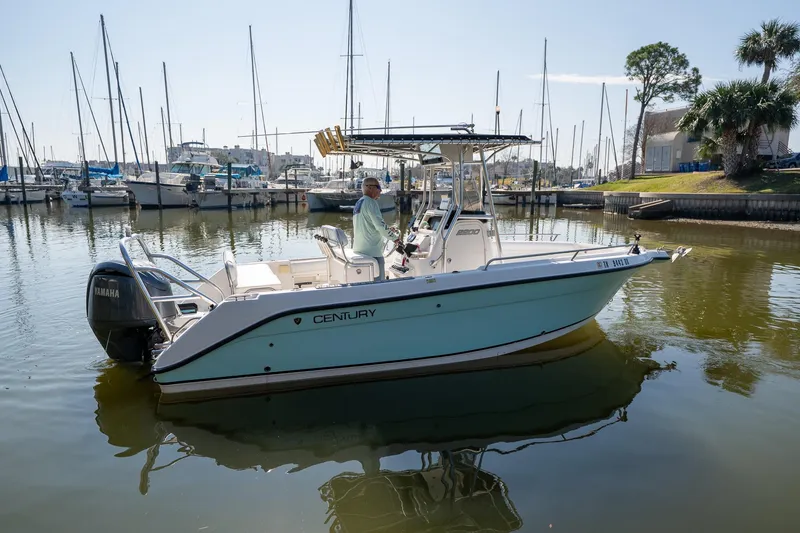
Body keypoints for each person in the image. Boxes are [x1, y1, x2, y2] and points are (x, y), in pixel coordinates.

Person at [353, 177, 398, 281]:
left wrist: (388, 229)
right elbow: (379, 225)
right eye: (378, 187)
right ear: (369, 188)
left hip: (360, 250)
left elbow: (366, 224)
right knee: (379, 284)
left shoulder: (359, 203)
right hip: (373, 252)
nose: (380, 190)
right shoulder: (371, 202)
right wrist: (395, 238)